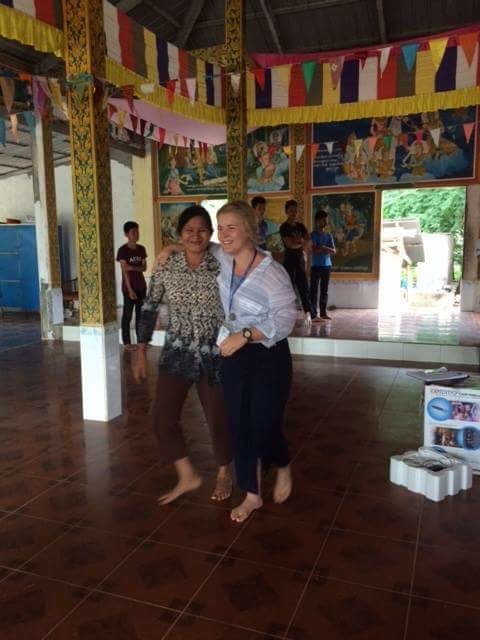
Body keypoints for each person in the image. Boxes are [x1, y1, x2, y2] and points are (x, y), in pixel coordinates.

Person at [132, 206, 232, 505]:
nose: (195, 236)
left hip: (215, 354)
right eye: (188, 230)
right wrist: (140, 349)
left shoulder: (222, 262)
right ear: (179, 234)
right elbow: (149, 306)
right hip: (177, 353)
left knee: (219, 419)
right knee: (161, 419)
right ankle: (187, 475)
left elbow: (245, 251)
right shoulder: (167, 265)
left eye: (202, 230)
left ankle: (224, 471)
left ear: (211, 234)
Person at [215, 201, 297, 523]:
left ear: (249, 230)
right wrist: (169, 248)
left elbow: (286, 320)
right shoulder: (222, 259)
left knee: (264, 423)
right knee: (239, 424)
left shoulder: (272, 273)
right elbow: (198, 246)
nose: (223, 235)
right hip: (234, 355)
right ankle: (252, 495)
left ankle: (283, 463)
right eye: (220, 228)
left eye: (231, 227)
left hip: (268, 355)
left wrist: (247, 334)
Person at [279, 199, 314, 324]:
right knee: (289, 289)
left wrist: (301, 243)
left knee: (304, 288)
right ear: (286, 212)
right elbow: (290, 245)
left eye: (295, 210)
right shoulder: (284, 227)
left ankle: (310, 314)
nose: (293, 213)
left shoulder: (300, 226)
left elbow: (309, 241)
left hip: (300, 260)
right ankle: (288, 315)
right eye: (291, 210)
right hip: (289, 260)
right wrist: (303, 243)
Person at [117, 221, 147, 350]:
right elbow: (125, 271)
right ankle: (127, 342)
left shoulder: (141, 249)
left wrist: (132, 267)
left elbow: (144, 267)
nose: (136, 234)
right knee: (127, 315)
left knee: (141, 315)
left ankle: (141, 341)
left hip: (141, 286)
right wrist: (130, 290)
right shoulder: (123, 250)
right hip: (129, 288)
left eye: (137, 231)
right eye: (133, 232)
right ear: (126, 234)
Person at [310, 209, 336, 322]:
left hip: (327, 266)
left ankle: (323, 313)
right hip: (315, 266)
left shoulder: (328, 235)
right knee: (314, 290)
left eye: (326, 220)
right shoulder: (312, 235)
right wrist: (324, 249)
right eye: (323, 220)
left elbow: (334, 251)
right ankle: (313, 314)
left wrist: (323, 248)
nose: (325, 222)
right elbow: (312, 250)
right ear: (317, 221)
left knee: (324, 290)